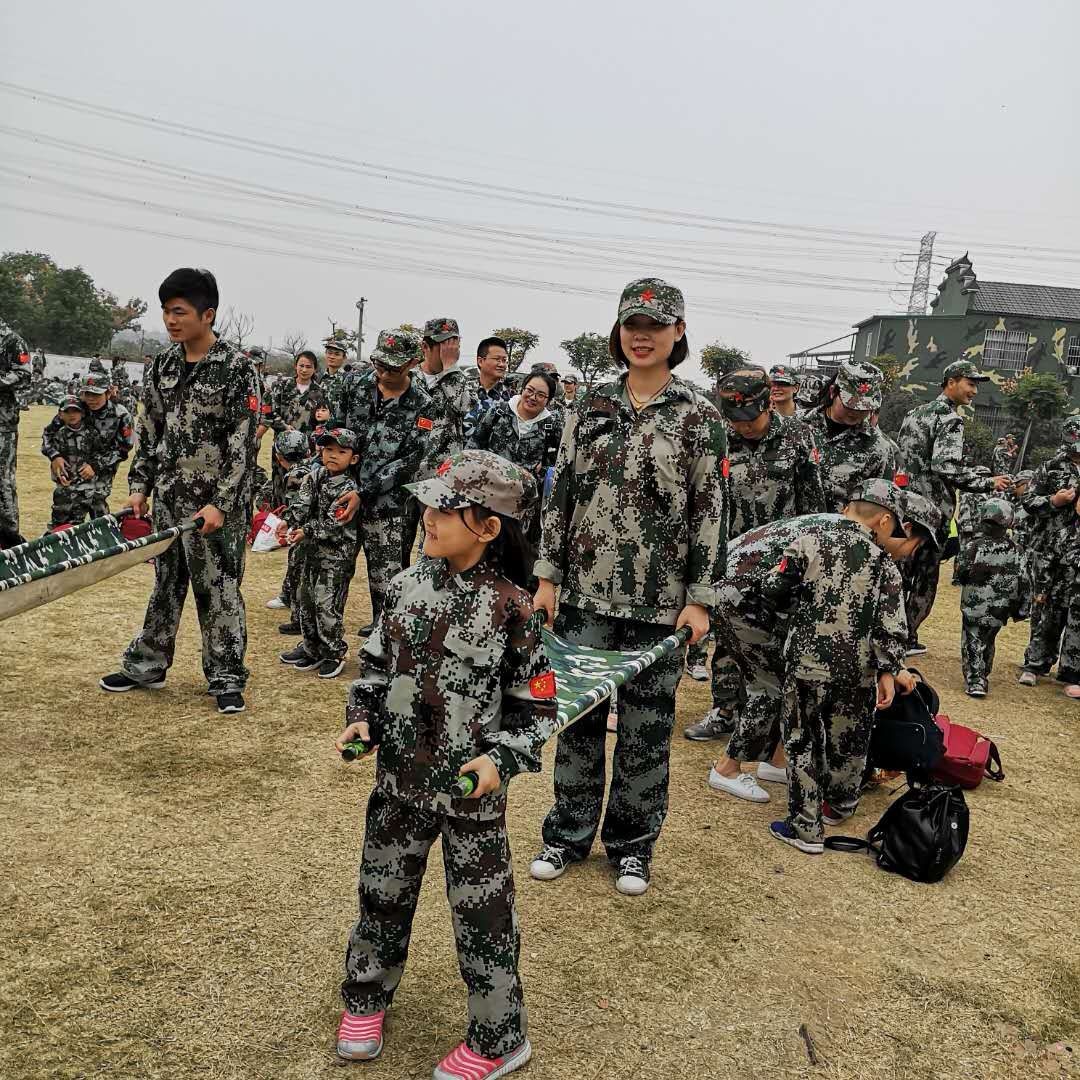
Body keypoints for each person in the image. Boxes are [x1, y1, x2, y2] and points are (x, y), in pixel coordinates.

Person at [334, 451, 557, 1079]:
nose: (428, 516)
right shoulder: (406, 585)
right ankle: (365, 997)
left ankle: (499, 1039)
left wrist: (499, 760)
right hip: (398, 784)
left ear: (488, 527)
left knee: (484, 920)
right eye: (428, 504)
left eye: (445, 508)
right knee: (381, 894)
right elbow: (376, 668)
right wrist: (362, 717)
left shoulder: (514, 609)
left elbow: (537, 711)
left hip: (469, 798)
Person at [529, 278, 726, 896]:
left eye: (655, 327)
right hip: (583, 597)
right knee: (577, 720)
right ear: (618, 332)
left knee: (646, 731)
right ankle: (566, 834)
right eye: (631, 326)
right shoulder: (587, 406)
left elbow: (711, 511)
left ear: (678, 332)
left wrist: (700, 599)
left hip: (659, 606)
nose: (642, 337)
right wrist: (546, 577)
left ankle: (633, 846)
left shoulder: (700, 416)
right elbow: (560, 495)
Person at [707, 480, 912, 850]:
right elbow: (892, 624)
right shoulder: (884, 563)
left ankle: (806, 828)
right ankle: (840, 804)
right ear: (884, 521)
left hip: (808, 663)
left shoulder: (807, 542)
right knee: (850, 736)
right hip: (858, 670)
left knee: (804, 738)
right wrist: (888, 669)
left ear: (847, 509)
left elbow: (774, 588)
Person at [99, 268, 258, 715]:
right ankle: (147, 664)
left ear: (207, 315)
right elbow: (150, 432)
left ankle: (226, 676)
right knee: (166, 583)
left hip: (215, 507)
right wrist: (139, 487)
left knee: (219, 589)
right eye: (167, 311)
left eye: (180, 311)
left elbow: (243, 445)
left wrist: (221, 504)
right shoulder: (163, 366)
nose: (171, 320)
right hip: (170, 498)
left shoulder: (237, 369)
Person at [683, 367, 824, 738]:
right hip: (729, 556)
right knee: (728, 636)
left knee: (780, 637)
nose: (743, 426)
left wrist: (810, 555)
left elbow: (812, 501)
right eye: (736, 419)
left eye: (750, 418)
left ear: (768, 404)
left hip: (782, 559)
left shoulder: (798, 436)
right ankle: (725, 710)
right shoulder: (719, 438)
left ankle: (776, 718)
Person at [896, 359, 1009, 655]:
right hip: (932, 512)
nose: (974, 391)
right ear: (952, 382)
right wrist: (987, 482)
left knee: (898, 571)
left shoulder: (914, 413)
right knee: (925, 579)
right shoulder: (950, 419)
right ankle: (905, 638)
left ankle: (887, 630)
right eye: (970, 384)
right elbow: (946, 466)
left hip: (903, 506)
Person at [335, 329, 436, 631]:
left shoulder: (423, 404)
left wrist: (364, 492)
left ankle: (385, 642)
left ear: (412, 363)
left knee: (387, 582)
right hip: (342, 495)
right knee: (332, 574)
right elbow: (335, 431)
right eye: (379, 364)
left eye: (392, 367)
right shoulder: (354, 385)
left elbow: (410, 460)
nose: (383, 372)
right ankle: (321, 644)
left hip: (387, 505)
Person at [278, 428, 360, 679]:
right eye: (328, 449)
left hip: (336, 555)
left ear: (354, 459)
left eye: (341, 451)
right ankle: (312, 648)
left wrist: (305, 530)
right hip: (312, 551)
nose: (333, 455)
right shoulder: (315, 476)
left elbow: (335, 522)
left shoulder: (349, 488)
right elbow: (301, 504)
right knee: (306, 599)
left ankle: (333, 652)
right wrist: (288, 521)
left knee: (327, 604)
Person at [403, 318, 477, 566]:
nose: (451, 350)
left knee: (434, 552)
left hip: (441, 480)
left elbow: (464, 408)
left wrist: (450, 369)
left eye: (455, 344)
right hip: (405, 476)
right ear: (425, 346)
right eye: (444, 345)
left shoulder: (460, 379)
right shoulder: (409, 377)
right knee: (396, 550)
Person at [1018, 417, 1080, 692]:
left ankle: (1071, 672)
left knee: (1076, 610)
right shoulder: (1051, 467)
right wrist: (1054, 501)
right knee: (1045, 607)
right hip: (1050, 551)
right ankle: (1035, 663)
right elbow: (1028, 500)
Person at [466, 370, 562, 542]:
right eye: (529, 390)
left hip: (523, 505)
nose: (532, 397)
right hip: (487, 495)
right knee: (481, 540)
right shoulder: (499, 412)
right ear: (522, 389)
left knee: (514, 547)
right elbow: (475, 444)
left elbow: (558, 462)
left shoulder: (551, 425)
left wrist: (542, 470)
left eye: (541, 395)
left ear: (548, 400)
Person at [798, 360, 899, 513]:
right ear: (833, 392)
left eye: (864, 407)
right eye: (850, 404)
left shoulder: (879, 448)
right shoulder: (795, 425)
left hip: (841, 526)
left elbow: (881, 507)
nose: (856, 411)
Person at [956, 498, 1022, 698]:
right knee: (988, 639)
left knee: (972, 640)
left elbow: (961, 572)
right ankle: (983, 673)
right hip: (1000, 607)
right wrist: (1021, 608)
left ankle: (976, 680)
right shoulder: (1016, 550)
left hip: (974, 605)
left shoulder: (973, 546)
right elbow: (1024, 579)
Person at [262, 429, 316, 633]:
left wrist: (287, 521)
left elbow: (298, 509)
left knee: (299, 570)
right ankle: (288, 598)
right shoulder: (315, 466)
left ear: (279, 457)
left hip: (305, 533)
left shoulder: (294, 476)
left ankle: (299, 619)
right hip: (314, 530)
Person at [77, 372, 136, 517]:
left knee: (96, 501)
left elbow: (124, 448)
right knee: (69, 505)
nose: (91, 399)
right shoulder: (75, 409)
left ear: (108, 393)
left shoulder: (121, 415)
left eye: (96, 394)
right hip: (75, 463)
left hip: (104, 466)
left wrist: (96, 466)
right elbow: (53, 433)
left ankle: (103, 530)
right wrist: (56, 456)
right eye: (87, 394)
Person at [41, 395, 98, 529]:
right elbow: (52, 455)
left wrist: (93, 467)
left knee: (78, 522)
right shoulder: (58, 434)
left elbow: (99, 454)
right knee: (59, 522)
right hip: (64, 486)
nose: (72, 415)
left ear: (82, 413)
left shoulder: (91, 433)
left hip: (86, 486)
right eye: (67, 411)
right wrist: (60, 474)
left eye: (76, 411)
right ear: (60, 415)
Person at [0, 318, 31, 544]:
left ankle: (9, 539)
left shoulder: (12, 340)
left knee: (2, 479)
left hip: (2, 422)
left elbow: (24, 375)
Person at [463, 336, 512, 439]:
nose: (502, 364)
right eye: (497, 359)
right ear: (481, 361)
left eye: (504, 360)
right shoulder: (463, 391)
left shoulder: (511, 398)